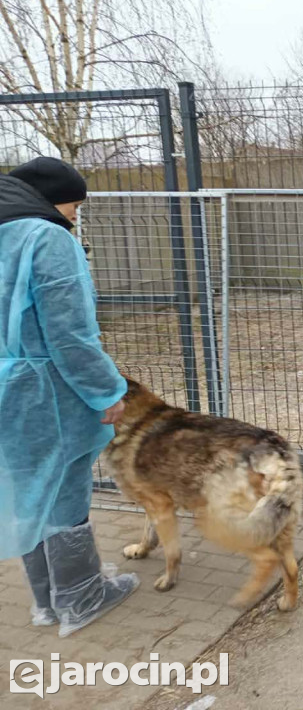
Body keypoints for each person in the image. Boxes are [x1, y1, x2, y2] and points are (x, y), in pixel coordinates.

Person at [0, 156, 139, 637]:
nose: (75, 215)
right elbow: (70, 334)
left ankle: (45, 603)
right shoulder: (48, 237)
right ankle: (81, 599)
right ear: (50, 198)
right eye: (75, 204)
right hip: (47, 392)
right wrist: (106, 392)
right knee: (63, 490)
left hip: (4, 388)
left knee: (26, 490)